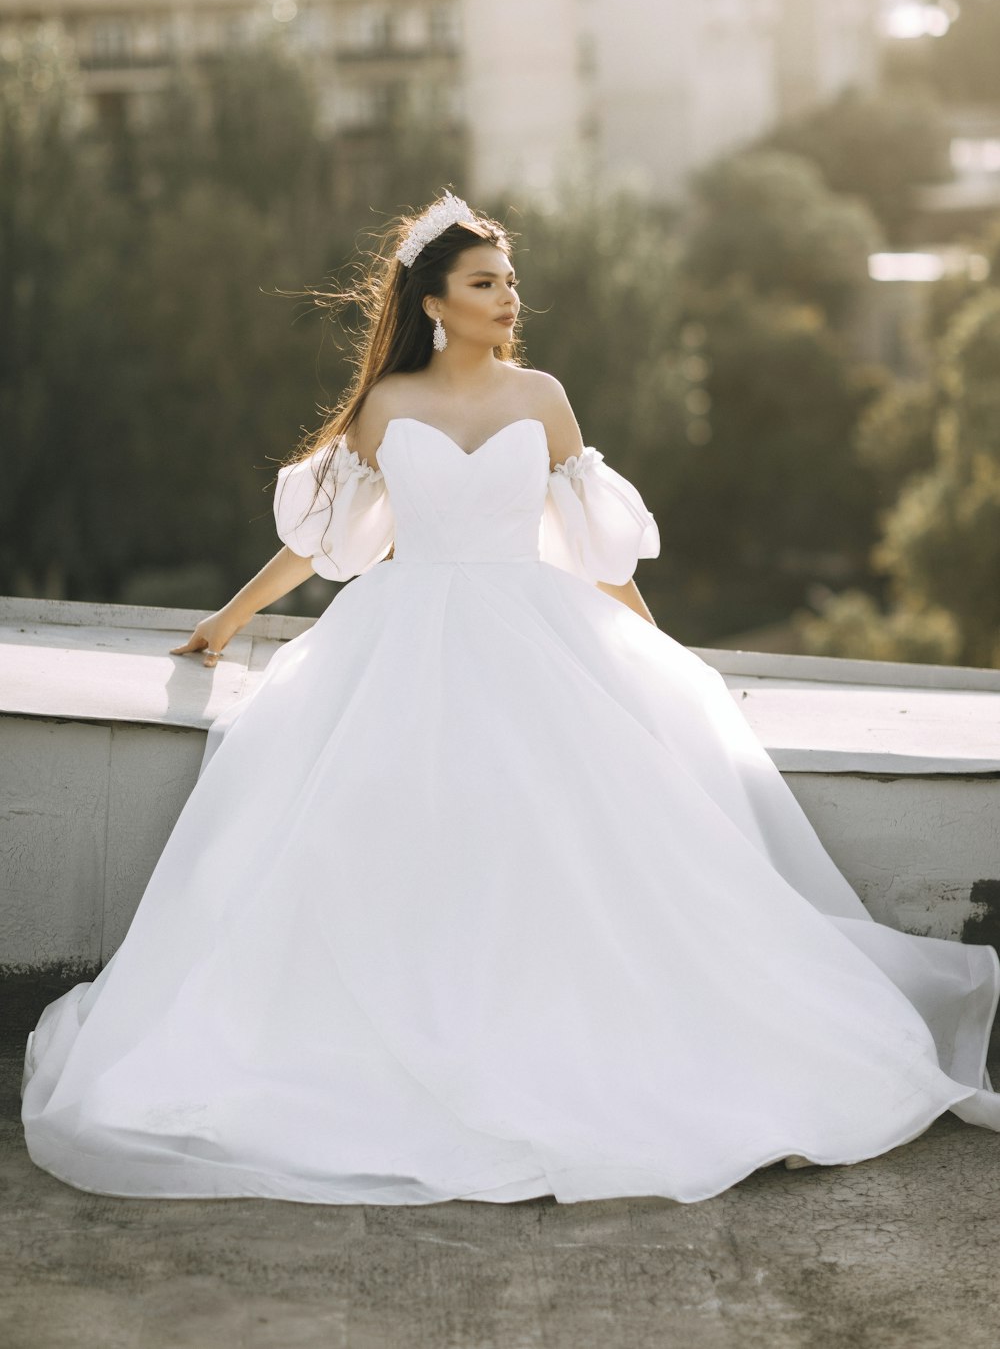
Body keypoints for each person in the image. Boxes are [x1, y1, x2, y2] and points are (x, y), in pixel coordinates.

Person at [21, 191, 1000, 1206]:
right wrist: (226, 621)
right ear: (434, 302)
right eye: (485, 283)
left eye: (509, 280)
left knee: (579, 849)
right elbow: (316, 545)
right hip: (402, 644)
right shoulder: (385, 408)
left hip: (532, 633)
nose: (508, 297)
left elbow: (595, 546)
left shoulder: (543, 397)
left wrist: (657, 651)